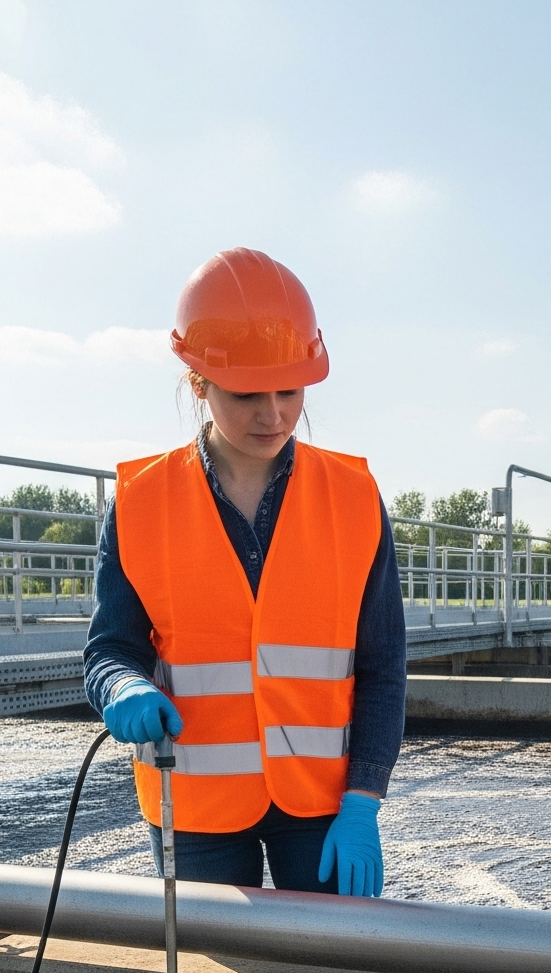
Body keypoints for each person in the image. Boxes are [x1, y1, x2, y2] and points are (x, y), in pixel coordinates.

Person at [82, 248, 406, 896]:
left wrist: (365, 794)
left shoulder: (353, 498)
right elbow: (110, 649)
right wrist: (120, 688)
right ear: (199, 383)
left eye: (290, 389)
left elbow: (381, 664)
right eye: (248, 393)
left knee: (325, 971)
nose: (275, 413)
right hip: (194, 803)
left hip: (320, 805)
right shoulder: (143, 501)